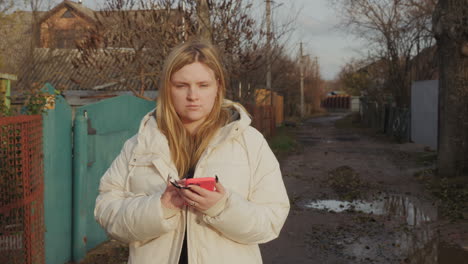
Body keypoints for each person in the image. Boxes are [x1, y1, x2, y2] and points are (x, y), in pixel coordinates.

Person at [94, 39, 290, 264]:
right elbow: (106, 212)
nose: (193, 96)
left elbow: (271, 222)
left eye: (203, 85)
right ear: (168, 87)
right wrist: (161, 207)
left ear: (218, 86)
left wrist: (221, 207)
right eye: (181, 85)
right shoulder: (139, 144)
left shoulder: (249, 142)